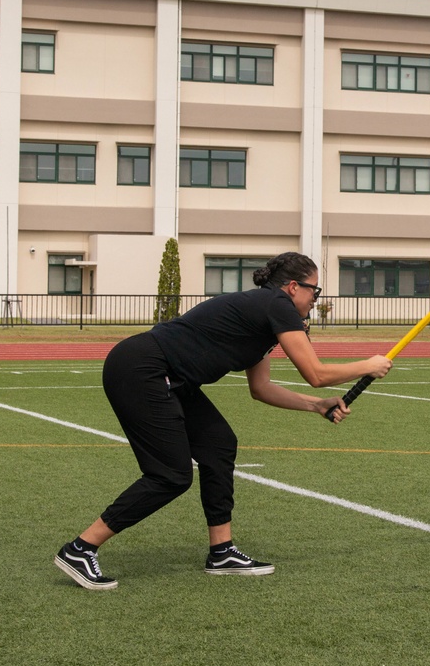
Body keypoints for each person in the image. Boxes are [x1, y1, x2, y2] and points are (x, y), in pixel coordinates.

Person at [54, 252, 392, 591]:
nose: (315, 300)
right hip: (143, 369)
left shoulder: (267, 317)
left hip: (169, 376)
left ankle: (222, 552)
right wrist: (368, 364)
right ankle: (81, 549)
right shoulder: (276, 304)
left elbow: (261, 389)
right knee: (171, 475)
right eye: (314, 291)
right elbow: (316, 374)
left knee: (218, 444)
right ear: (292, 287)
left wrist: (317, 406)